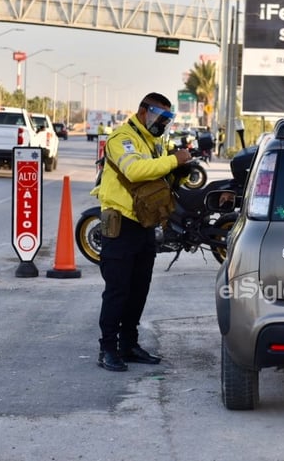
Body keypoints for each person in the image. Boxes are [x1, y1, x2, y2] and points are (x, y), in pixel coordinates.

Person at [95, 92, 192, 372]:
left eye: (167, 119)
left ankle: (129, 344)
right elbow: (135, 170)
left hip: (145, 224)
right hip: (120, 224)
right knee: (117, 290)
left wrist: (181, 169)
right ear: (142, 112)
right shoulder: (122, 139)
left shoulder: (155, 143)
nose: (162, 124)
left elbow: (159, 178)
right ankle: (108, 349)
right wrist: (173, 160)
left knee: (139, 290)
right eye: (159, 117)